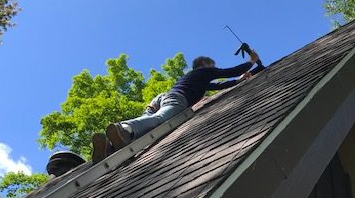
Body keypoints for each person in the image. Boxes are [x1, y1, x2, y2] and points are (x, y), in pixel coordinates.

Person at [91, 50, 259, 163]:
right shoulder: (205, 72)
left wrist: (239, 81)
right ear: (204, 65)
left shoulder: (196, 79)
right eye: (212, 66)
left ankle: (109, 147)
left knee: (147, 120)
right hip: (177, 99)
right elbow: (228, 72)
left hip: (160, 98)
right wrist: (252, 61)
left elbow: (219, 86)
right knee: (160, 120)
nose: (214, 68)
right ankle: (123, 128)